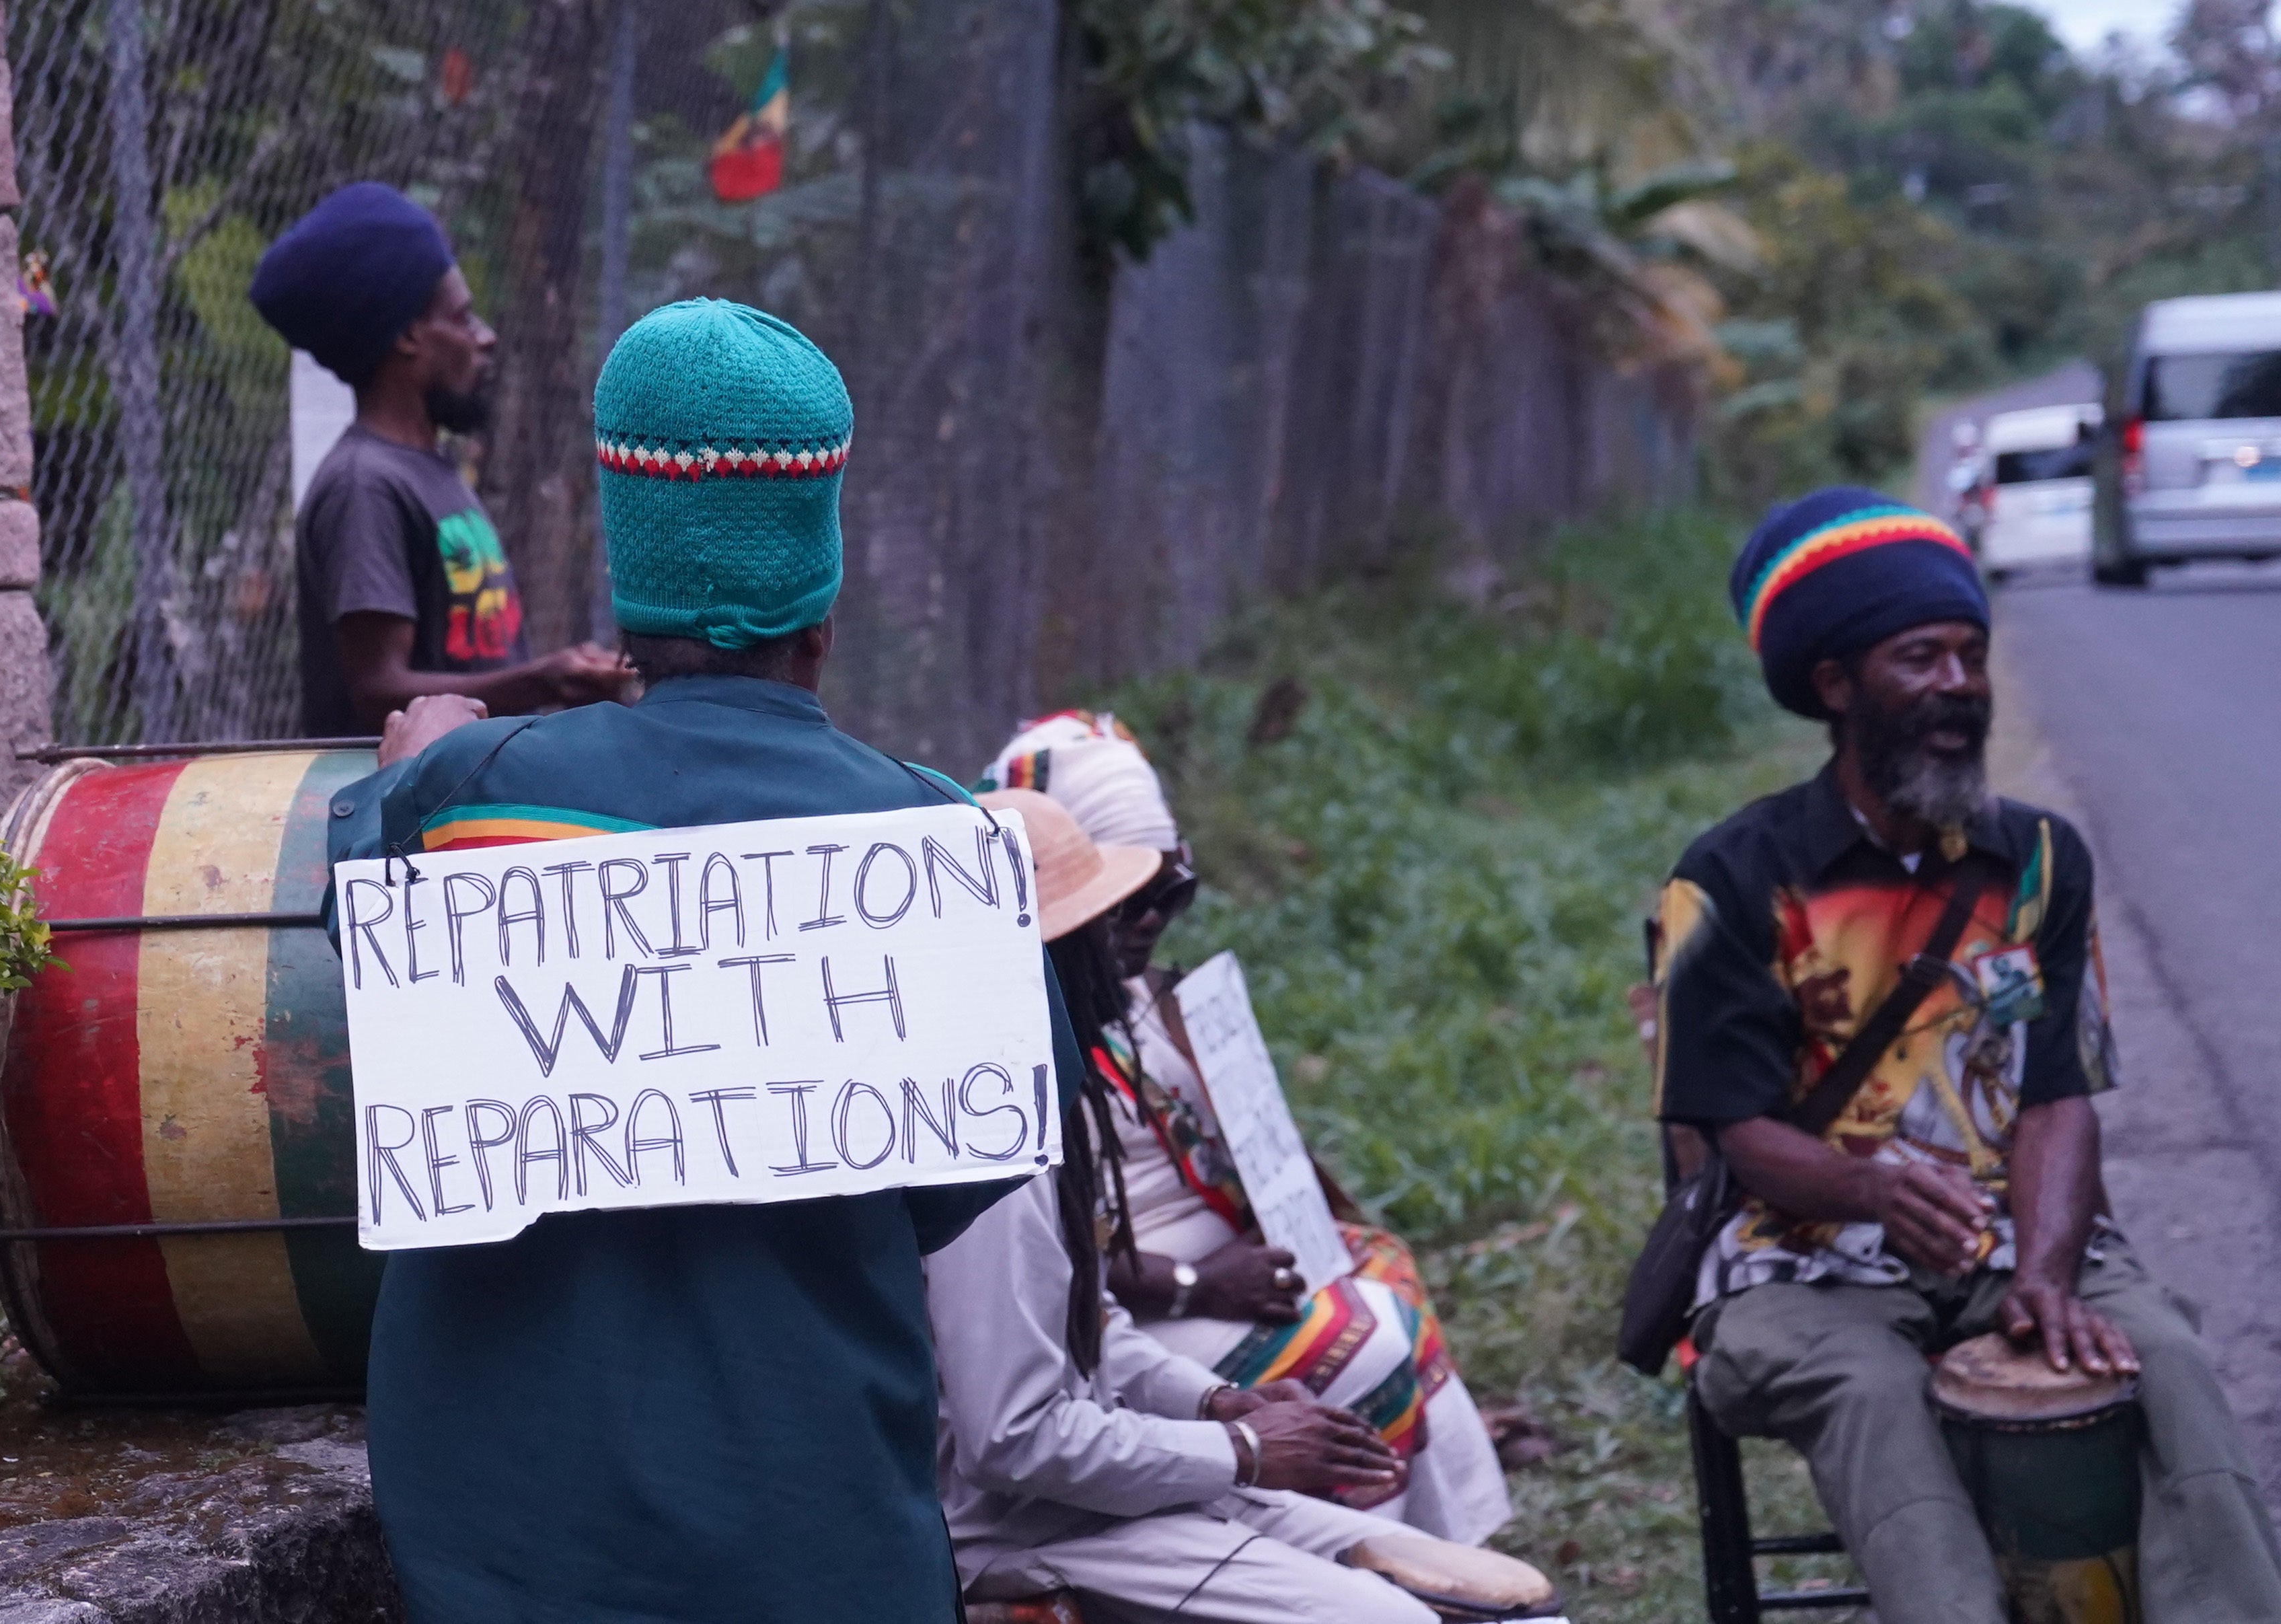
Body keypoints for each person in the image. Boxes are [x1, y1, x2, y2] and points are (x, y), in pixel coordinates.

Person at [318, 299, 1072, 1624]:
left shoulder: (463, 803)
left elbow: (365, 1022)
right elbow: (974, 1155)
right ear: (823, 611)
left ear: (627, 592)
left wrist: (408, 772)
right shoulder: (937, 856)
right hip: (827, 1552)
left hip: (505, 1562)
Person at [1653, 486, 2281, 1623]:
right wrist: (1870, 1186)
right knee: (1874, 1391)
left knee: (2162, 1357)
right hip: (1799, 1256)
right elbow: (1730, 1130)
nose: (1958, 683)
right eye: (1921, 656)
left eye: (1972, 654)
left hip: (2020, 1230)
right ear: (1836, 684)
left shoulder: (2038, 858)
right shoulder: (1732, 879)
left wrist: (2042, 1270)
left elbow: (2058, 1093)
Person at [928, 789, 1564, 1624]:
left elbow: (1094, 1328)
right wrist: (1242, 1449)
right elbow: (1014, 1439)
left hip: (1106, 1498)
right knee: (1400, 1618)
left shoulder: (1045, 1099)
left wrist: (1214, 1403)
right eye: (1098, 930)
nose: (1127, 949)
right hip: (1028, 1532)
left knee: (1507, 1604)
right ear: (1039, 963)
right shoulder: (992, 1155)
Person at [249, 181, 627, 735]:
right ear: (408, 336)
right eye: (464, 318)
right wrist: (546, 680)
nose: (486, 337)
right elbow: (377, 694)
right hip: (402, 814)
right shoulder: (366, 485)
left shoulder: (426, 470)